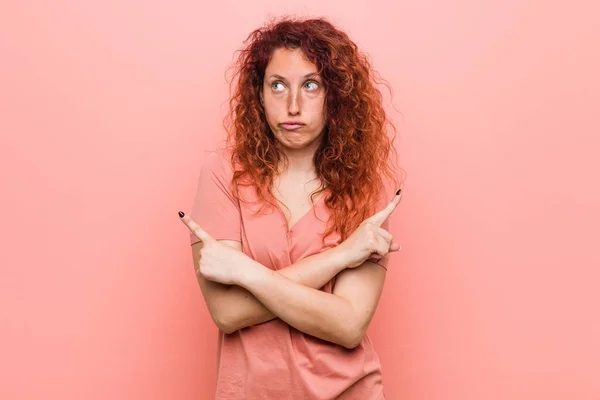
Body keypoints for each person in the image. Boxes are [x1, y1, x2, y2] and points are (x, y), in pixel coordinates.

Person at [179, 16, 404, 400]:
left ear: (335, 95)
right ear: (259, 94)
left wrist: (244, 272)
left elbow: (348, 324)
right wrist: (341, 256)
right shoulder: (222, 173)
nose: (293, 105)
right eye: (278, 85)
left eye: (311, 85)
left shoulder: (366, 185)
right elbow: (229, 313)